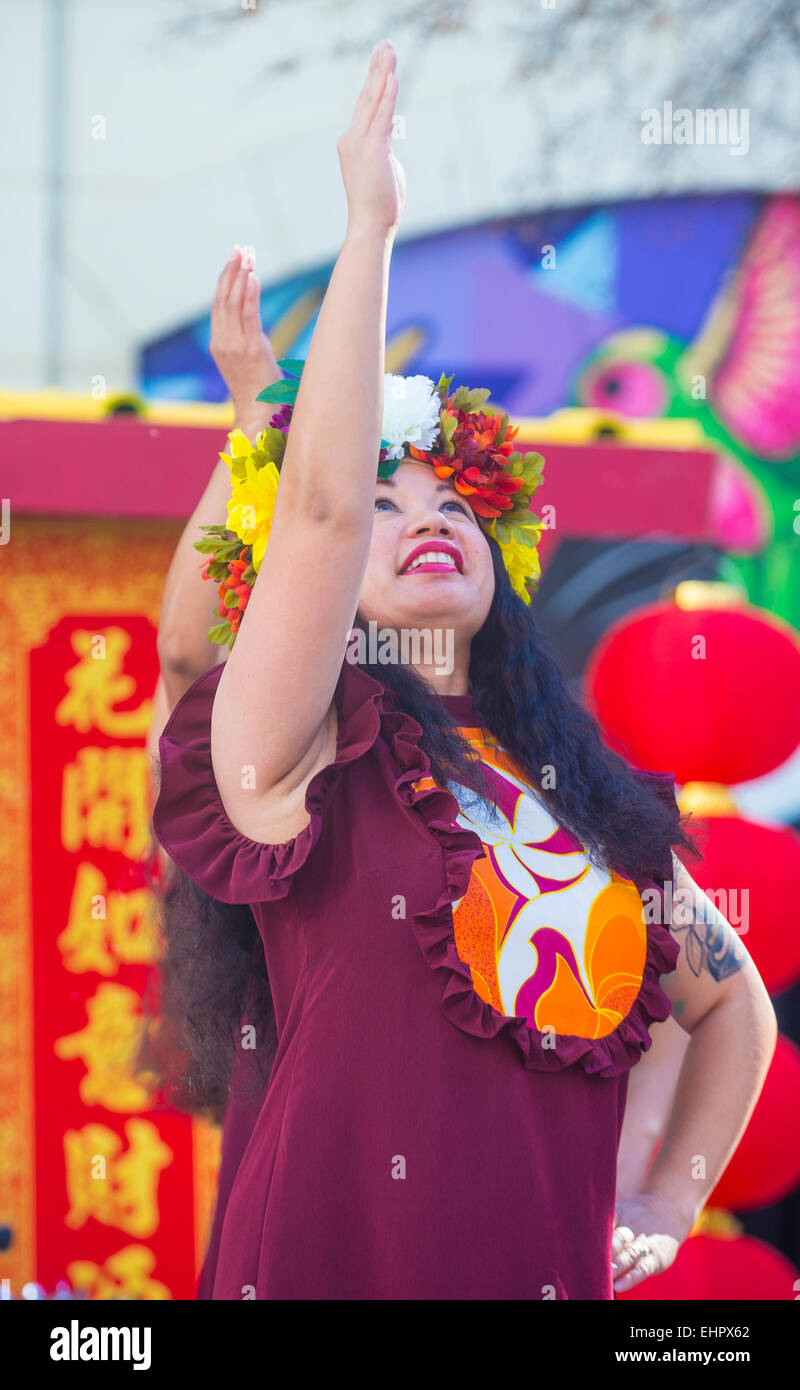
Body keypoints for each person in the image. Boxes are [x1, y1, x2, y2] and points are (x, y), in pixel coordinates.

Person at [147, 40, 777, 1300]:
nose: (426, 515)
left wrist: (657, 1196)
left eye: (454, 500)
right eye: (390, 498)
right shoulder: (301, 744)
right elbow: (269, 566)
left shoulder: (571, 801)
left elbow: (734, 1013)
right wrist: (366, 235)